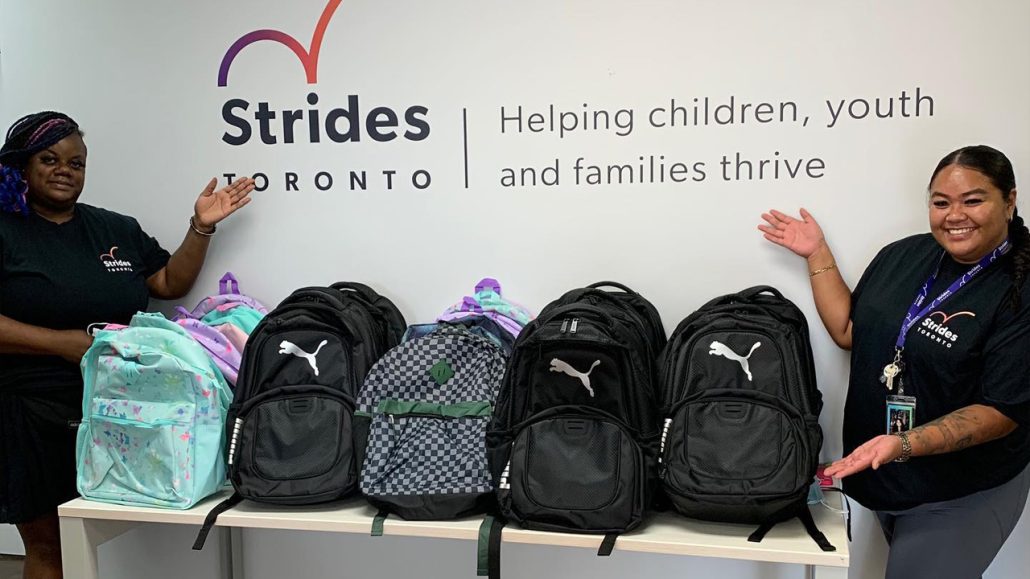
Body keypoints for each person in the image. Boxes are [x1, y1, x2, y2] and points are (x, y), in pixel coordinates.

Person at [0, 111, 255, 579]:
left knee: (109, 535)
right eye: (49, 158)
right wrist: (63, 344)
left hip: (120, 406)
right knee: (51, 543)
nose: (65, 170)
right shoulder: (5, 229)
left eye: (76, 163)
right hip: (31, 409)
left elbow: (167, 281)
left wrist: (201, 226)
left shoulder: (113, 229)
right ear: (20, 165)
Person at [758, 145, 1030, 579]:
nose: (954, 215)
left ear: (1010, 200)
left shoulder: (1018, 288)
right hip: (888, 477)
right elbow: (849, 330)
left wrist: (902, 444)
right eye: (941, 203)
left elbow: (1001, 411)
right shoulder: (903, 256)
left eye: (973, 200)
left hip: (961, 491)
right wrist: (817, 254)